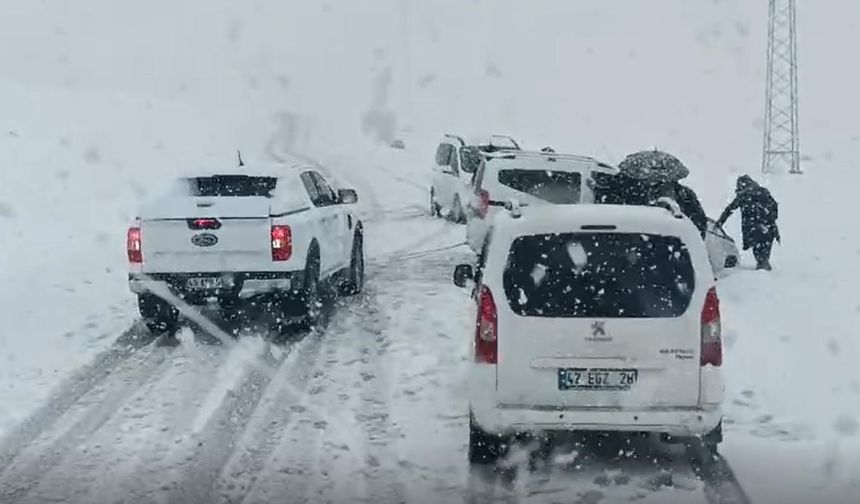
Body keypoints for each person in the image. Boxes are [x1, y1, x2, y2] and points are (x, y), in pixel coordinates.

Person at [716, 175, 780, 271]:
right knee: (764, 254)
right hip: (769, 228)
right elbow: (774, 208)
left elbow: (729, 209)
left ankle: (763, 274)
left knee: (759, 254)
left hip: (754, 229)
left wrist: (720, 223)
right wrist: (769, 219)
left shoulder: (744, 195)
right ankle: (765, 269)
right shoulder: (763, 192)